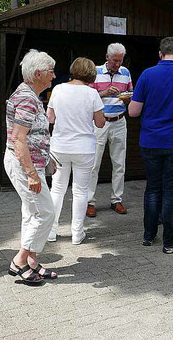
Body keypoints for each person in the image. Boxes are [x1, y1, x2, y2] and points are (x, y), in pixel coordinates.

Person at [128, 37, 173, 254]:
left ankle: (148, 236)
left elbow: (133, 111)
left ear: (160, 54)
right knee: (170, 190)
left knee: (152, 188)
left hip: (150, 141)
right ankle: (170, 241)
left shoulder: (147, 75)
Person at [5, 49, 57, 284]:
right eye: (51, 71)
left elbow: (35, 135)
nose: (54, 76)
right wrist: (31, 174)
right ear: (38, 74)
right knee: (45, 212)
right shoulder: (27, 98)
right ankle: (20, 261)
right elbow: (19, 138)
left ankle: (33, 261)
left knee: (31, 213)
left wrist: (48, 159)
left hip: (32, 162)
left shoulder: (29, 95)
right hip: (25, 165)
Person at [48, 58, 105, 244]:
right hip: (84, 148)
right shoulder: (92, 93)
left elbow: (50, 117)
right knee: (80, 192)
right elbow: (100, 122)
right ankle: (77, 234)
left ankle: (50, 232)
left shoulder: (58, 89)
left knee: (57, 189)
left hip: (60, 146)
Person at [87, 43, 133, 217]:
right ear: (107, 57)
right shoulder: (95, 72)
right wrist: (104, 93)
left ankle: (117, 200)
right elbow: (88, 96)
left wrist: (127, 98)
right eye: (114, 61)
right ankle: (89, 201)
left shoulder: (125, 72)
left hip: (120, 120)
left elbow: (131, 93)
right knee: (94, 163)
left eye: (120, 61)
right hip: (100, 121)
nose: (117, 64)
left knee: (119, 163)